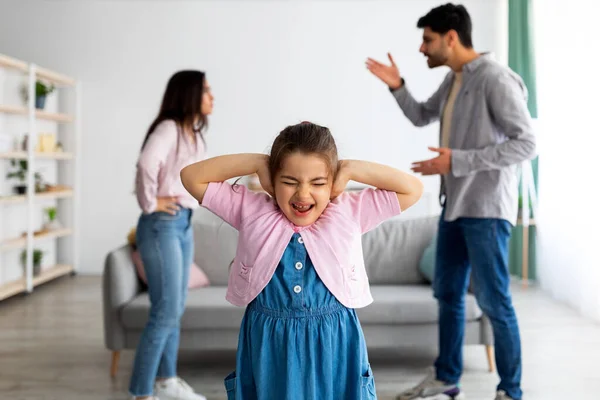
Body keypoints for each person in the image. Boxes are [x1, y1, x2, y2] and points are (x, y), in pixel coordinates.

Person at [180, 121, 423, 399]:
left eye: (318, 183)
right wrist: (259, 163)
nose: (303, 194)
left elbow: (411, 189)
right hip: (269, 343)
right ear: (272, 180)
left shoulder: (349, 211)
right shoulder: (251, 209)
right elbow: (191, 177)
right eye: (289, 181)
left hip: (335, 340)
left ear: (332, 184)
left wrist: (351, 169)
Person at [366, 4, 536, 400]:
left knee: (495, 302)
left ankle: (510, 391)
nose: (423, 48)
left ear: (451, 37)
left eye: (427, 40)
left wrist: (456, 161)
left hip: (487, 212)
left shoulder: (494, 79)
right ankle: (447, 381)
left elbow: (527, 142)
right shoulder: (455, 79)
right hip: (455, 208)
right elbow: (422, 115)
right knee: (448, 296)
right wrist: (397, 86)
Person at [129, 70, 214, 400]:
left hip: (183, 222)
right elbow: (146, 164)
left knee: (174, 307)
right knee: (165, 311)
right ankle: (140, 393)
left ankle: (166, 382)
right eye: (206, 90)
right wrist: (150, 202)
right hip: (162, 225)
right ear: (189, 94)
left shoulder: (192, 134)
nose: (212, 96)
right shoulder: (168, 129)